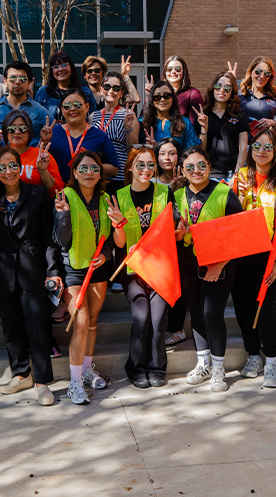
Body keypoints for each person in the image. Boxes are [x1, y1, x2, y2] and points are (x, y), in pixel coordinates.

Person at [0, 147, 60, 406]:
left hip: (33, 269)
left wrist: (53, 271)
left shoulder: (37, 194)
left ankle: (42, 381)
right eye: (2, 167)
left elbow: (48, 237)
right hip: (2, 272)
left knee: (38, 326)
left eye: (12, 165)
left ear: (21, 167)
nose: (8, 171)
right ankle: (21, 374)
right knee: (11, 327)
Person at [229, 128, 276, 388]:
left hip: (269, 254)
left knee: (266, 308)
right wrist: (238, 194)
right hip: (241, 254)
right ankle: (253, 354)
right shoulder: (241, 176)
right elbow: (230, 215)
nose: (262, 151)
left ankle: (271, 361)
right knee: (243, 306)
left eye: (268, 147)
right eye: (257, 146)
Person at [176, 148, 243, 392]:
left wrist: (219, 264)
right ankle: (202, 363)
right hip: (189, 263)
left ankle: (218, 369)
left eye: (201, 165)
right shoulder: (177, 195)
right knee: (196, 311)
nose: (196, 170)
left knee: (212, 313)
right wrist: (180, 233)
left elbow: (240, 234)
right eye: (190, 167)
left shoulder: (225, 193)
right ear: (182, 171)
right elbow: (174, 234)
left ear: (209, 166)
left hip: (220, 264)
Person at [53, 150, 116, 404]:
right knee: (80, 321)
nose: (89, 173)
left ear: (100, 173)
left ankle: (87, 371)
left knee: (92, 322)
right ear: (74, 173)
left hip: (99, 266)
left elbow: (110, 237)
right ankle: (74, 382)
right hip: (74, 267)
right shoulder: (65, 196)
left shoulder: (106, 199)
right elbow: (60, 240)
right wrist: (63, 215)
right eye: (83, 168)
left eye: (94, 168)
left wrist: (106, 255)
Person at [111, 148, 177, 388]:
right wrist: (119, 224)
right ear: (130, 167)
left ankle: (157, 367)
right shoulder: (118, 196)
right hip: (132, 269)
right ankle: (136, 368)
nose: (146, 170)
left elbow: (171, 231)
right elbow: (119, 243)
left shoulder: (165, 192)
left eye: (150, 165)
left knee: (158, 320)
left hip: (159, 266)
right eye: (140, 164)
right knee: (142, 317)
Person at [0, 110, 64, 196]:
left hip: (37, 203)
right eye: (12, 129)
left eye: (23, 128)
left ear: (29, 132)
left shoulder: (42, 156)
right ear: (5, 132)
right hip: (2, 204)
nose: (17, 132)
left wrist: (43, 172)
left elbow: (58, 192)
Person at [154, 138, 188, 347]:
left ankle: (177, 328)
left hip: (179, 239)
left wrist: (177, 188)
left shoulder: (187, 178)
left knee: (179, 283)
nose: (167, 158)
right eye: (162, 153)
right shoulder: (149, 178)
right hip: (156, 242)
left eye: (172, 153)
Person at [45, 88, 119, 182]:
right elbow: (38, 163)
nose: (72, 109)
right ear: (62, 110)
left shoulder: (99, 136)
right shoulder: (52, 134)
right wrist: (43, 142)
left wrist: (91, 166)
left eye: (77, 104)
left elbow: (114, 169)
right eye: (67, 106)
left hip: (89, 190)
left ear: (87, 106)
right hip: (57, 189)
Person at [0, 61, 51, 150]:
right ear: (5, 81)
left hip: (30, 158)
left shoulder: (40, 112)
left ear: (29, 82)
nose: (17, 82)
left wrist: (44, 142)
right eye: (12, 78)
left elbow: (53, 136)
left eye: (22, 78)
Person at [90, 70, 139, 191]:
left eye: (116, 88)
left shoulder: (128, 115)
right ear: (101, 90)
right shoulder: (93, 116)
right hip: (96, 175)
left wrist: (128, 128)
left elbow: (133, 149)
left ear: (122, 93)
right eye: (107, 87)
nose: (111, 91)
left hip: (120, 177)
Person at [199, 71, 249, 181]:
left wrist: (237, 174)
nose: (222, 90)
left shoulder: (239, 115)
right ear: (213, 89)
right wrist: (204, 128)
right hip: (209, 175)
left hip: (231, 175)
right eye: (218, 86)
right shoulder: (204, 115)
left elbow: (243, 148)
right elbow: (201, 150)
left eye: (227, 88)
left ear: (232, 92)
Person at [140, 81, 201, 151]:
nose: (162, 100)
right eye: (157, 97)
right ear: (152, 100)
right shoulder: (142, 122)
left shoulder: (185, 122)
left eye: (167, 95)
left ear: (173, 98)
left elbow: (191, 151)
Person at [35, 50, 98, 116]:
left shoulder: (86, 92)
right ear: (52, 71)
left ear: (71, 67)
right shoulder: (42, 93)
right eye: (56, 66)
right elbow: (36, 118)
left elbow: (93, 118)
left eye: (64, 65)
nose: (60, 69)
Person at [239, 56, 276, 138]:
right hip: (243, 144)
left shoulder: (275, 97)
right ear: (250, 72)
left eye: (267, 73)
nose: (262, 76)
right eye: (258, 72)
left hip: (266, 144)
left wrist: (273, 123)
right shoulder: (240, 95)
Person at [149, 54, 203, 119]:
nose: (173, 72)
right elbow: (146, 118)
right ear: (165, 72)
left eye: (178, 69)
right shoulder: (156, 94)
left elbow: (195, 123)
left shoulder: (193, 94)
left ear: (184, 72)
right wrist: (150, 94)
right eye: (169, 69)